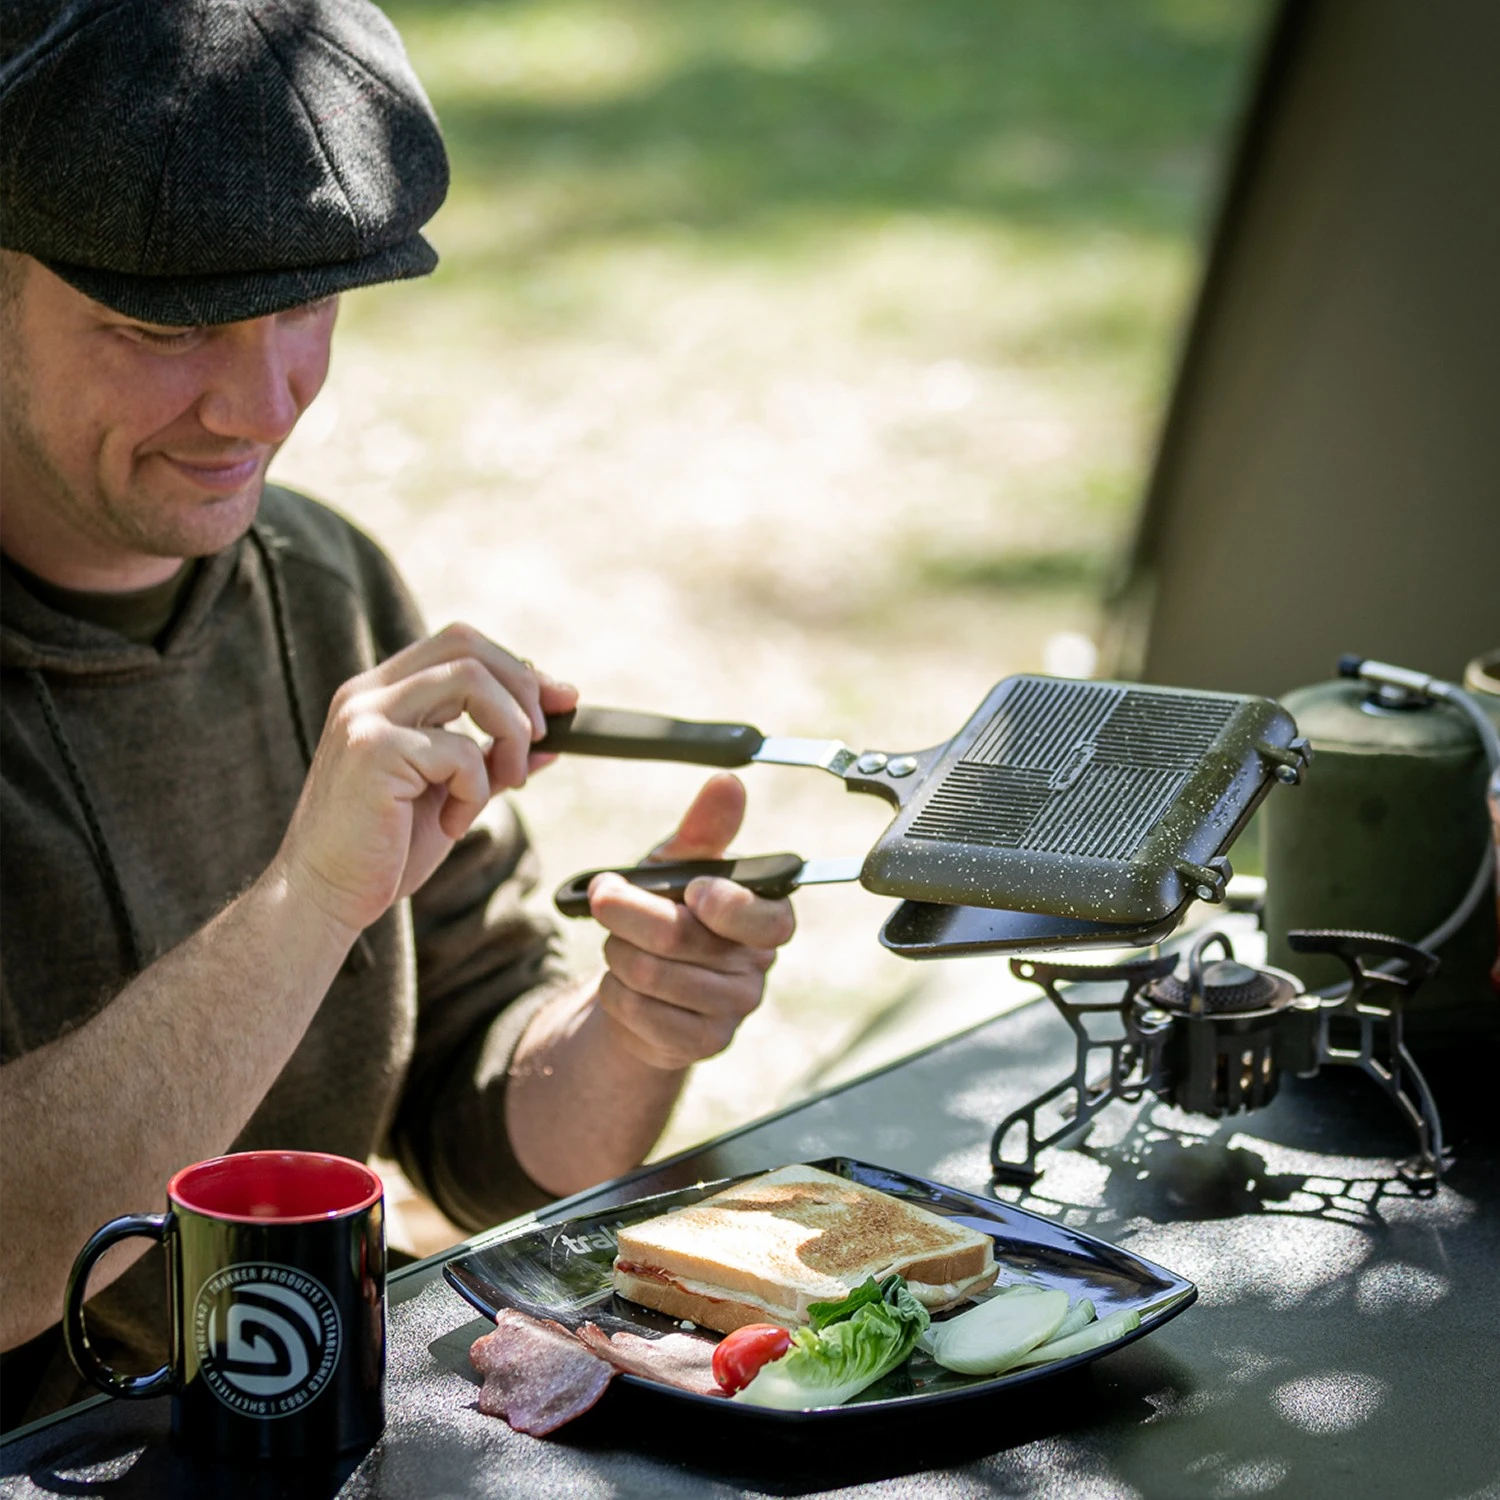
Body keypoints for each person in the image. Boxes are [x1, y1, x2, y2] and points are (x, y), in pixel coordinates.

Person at [0, 0, 795, 1425]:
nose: (260, 407)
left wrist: (633, 1030)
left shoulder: (323, 581)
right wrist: (307, 901)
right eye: (162, 327)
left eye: (305, 308)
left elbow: (480, 1144)